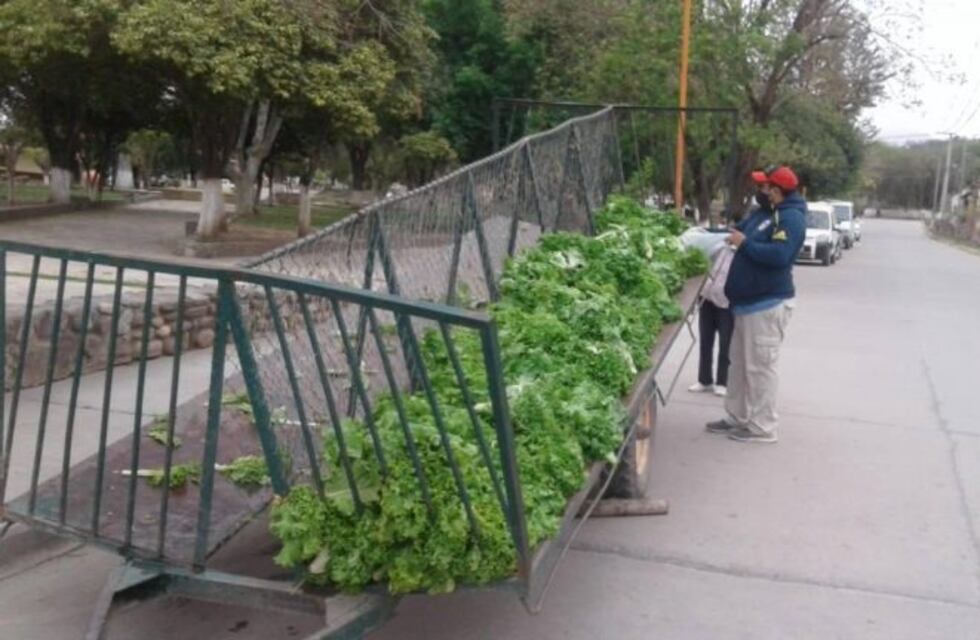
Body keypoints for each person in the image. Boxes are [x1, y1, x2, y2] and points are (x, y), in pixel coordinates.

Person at [705, 166, 806, 444]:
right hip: (746, 304)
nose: (759, 192)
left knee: (760, 368)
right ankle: (736, 417)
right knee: (738, 364)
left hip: (767, 304)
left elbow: (780, 255)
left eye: (764, 187)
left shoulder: (790, 219)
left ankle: (763, 427)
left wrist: (745, 243)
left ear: (776, 191)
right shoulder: (764, 214)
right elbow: (740, 233)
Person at [688, 240, 735, 396]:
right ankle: (704, 379)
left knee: (725, 344)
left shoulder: (742, 253)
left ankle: (723, 382)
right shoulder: (719, 247)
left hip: (727, 304)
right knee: (705, 341)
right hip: (707, 299)